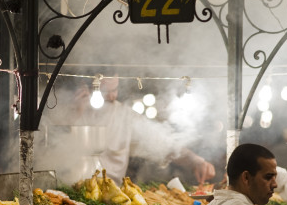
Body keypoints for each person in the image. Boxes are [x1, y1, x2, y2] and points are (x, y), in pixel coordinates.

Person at [48, 76, 215, 185]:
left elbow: (162, 143)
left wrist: (195, 160)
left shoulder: (125, 116)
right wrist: (74, 115)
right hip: (69, 193)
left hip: (111, 199)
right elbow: (49, 152)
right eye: (106, 91)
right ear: (88, 87)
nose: (112, 96)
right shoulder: (68, 112)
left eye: (115, 90)